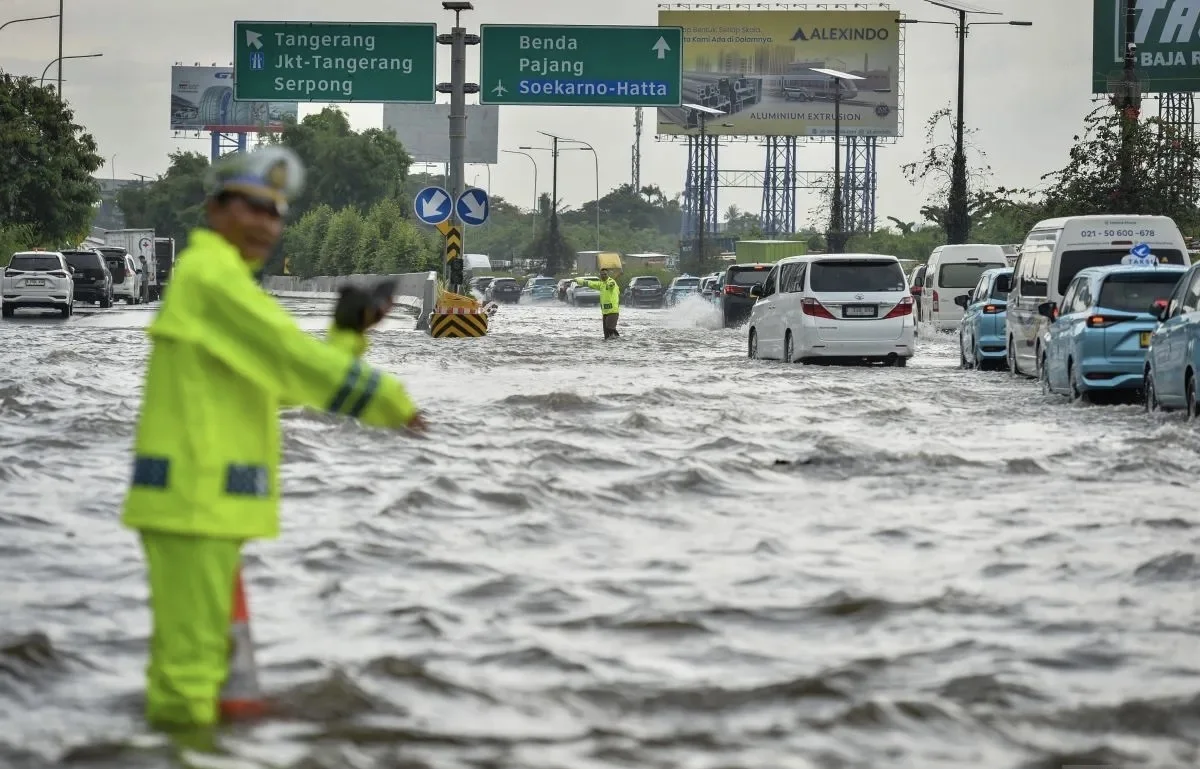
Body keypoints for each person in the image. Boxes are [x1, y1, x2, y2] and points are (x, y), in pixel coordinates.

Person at [120, 146, 427, 730]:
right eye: (252, 207)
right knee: (190, 676)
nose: (266, 224)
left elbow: (276, 384)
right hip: (194, 502)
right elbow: (289, 358)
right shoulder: (212, 278)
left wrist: (347, 337)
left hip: (202, 503)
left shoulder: (220, 279)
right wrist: (392, 404)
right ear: (215, 209)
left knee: (206, 670)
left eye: (275, 212)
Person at [576, 268, 621, 339]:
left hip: (613, 311)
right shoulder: (601, 284)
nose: (603, 276)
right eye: (602, 274)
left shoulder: (611, 282)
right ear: (600, 275)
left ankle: (619, 341)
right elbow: (590, 283)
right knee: (606, 335)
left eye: (605, 274)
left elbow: (611, 285)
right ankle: (613, 343)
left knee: (610, 328)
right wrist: (578, 280)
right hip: (605, 312)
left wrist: (610, 283)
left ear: (608, 274)